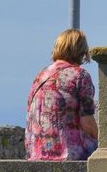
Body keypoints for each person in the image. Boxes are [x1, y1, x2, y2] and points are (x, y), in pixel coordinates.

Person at [26, 29, 99, 161]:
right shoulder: (80, 76)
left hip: (37, 152)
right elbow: (87, 123)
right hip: (67, 152)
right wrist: (103, 143)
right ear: (82, 52)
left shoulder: (41, 75)